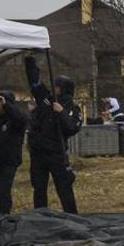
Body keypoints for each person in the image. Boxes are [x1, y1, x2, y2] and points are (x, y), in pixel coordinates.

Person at [25, 55, 82, 215]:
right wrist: (30, 62)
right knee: (39, 188)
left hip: (57, 153)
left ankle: (72, 217)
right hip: (39, 153)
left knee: (64, 188)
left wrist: (61, 112)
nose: (54, 89)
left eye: (57, 87)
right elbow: (36, 84)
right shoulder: (47, 102)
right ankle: (41, 218)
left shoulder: (72, 107)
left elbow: (72, 127)